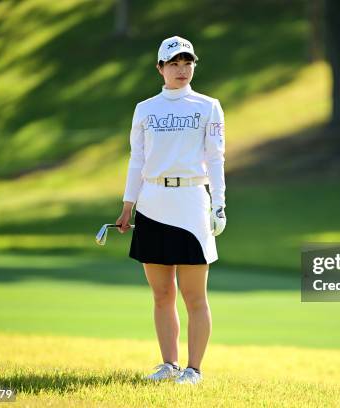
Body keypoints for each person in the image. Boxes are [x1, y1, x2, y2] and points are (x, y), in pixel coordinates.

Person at [115, 35, 226, 385]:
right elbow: (138, 160)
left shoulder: (208, 106)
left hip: (192, 204)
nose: (182, 69)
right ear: (160, 68)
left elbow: (216, 159)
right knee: (162, 294)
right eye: (174, 63)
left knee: (195, 295)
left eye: (187, 62)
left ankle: (194, 370)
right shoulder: (145, 109)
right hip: (152, 204)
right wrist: (127, 205)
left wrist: (219, 205)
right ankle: (169, 365)